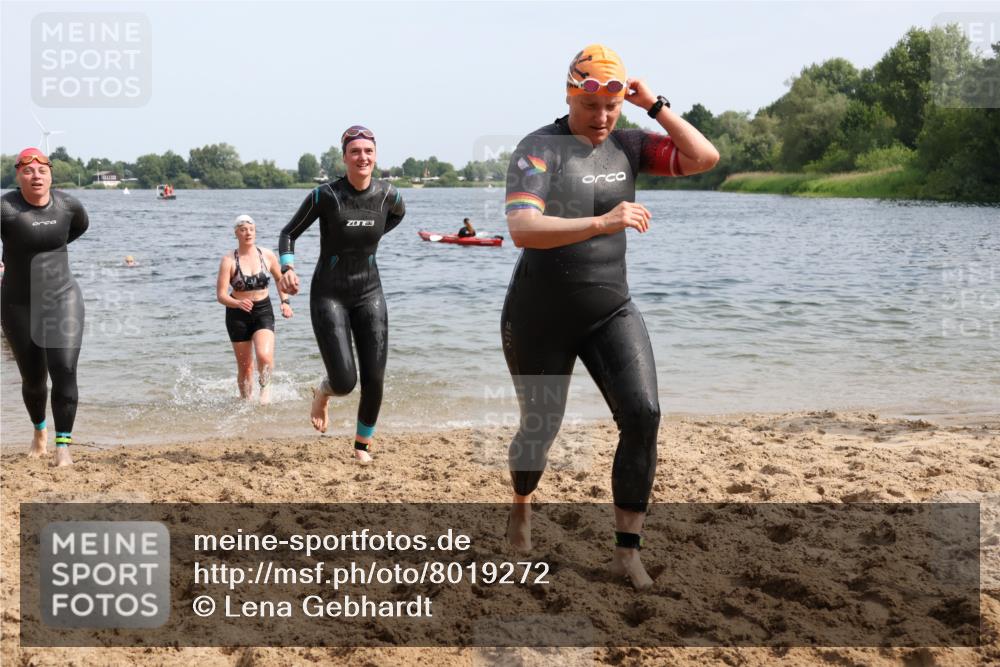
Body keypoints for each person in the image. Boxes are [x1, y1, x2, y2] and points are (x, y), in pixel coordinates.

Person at [501, 45, 719, 589]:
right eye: (589, 107)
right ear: (571, 95)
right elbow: (523, 229)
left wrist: (658, 106)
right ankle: (522, 503)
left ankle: (627, 552)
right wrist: (604, 222)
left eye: (611, 109)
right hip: (540, 314)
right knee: (540, 429)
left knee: (643, 414)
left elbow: (704, 159)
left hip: (609, 309)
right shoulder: (539, 149)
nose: (601, 120)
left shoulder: (626, 141)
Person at [278, 125, 405, 463]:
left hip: (370, 292)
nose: (362, 157)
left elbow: (396, 217)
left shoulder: (389, 195)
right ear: (345, 157)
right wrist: (288, 268)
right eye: (355, 152)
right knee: (346, 381)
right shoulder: (327, 196)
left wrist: (368, 240)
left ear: (375, 156)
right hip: (328, 295)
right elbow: (289, 233)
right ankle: (323, 391)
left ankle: (362, 446)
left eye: (368, 151)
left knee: (375, 378)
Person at [1, 148, 91, 467]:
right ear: (18, 176)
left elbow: (78, 228)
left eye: (42, 170)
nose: (36, 176)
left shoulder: (68, 205)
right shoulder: (6, 208)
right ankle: (39, 430)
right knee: (34, 380)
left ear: (51, 174)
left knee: (64, 369)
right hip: (18, 303)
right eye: (28, 171)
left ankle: (63, 446)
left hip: (62, 297)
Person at [215, 214, 293, 403]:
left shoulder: (266, 255)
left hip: (263, 310)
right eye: (243, 230)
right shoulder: (229, 260)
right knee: (245, 366)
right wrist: (237, 303)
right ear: (236, 233)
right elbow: (221, 296)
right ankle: (245, 402)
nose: (247, 233)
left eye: (251, 229)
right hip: (237, 314)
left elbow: (278, 279)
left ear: (255, 232)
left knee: (264, 356)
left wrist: (285, 302)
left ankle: (265, 392)